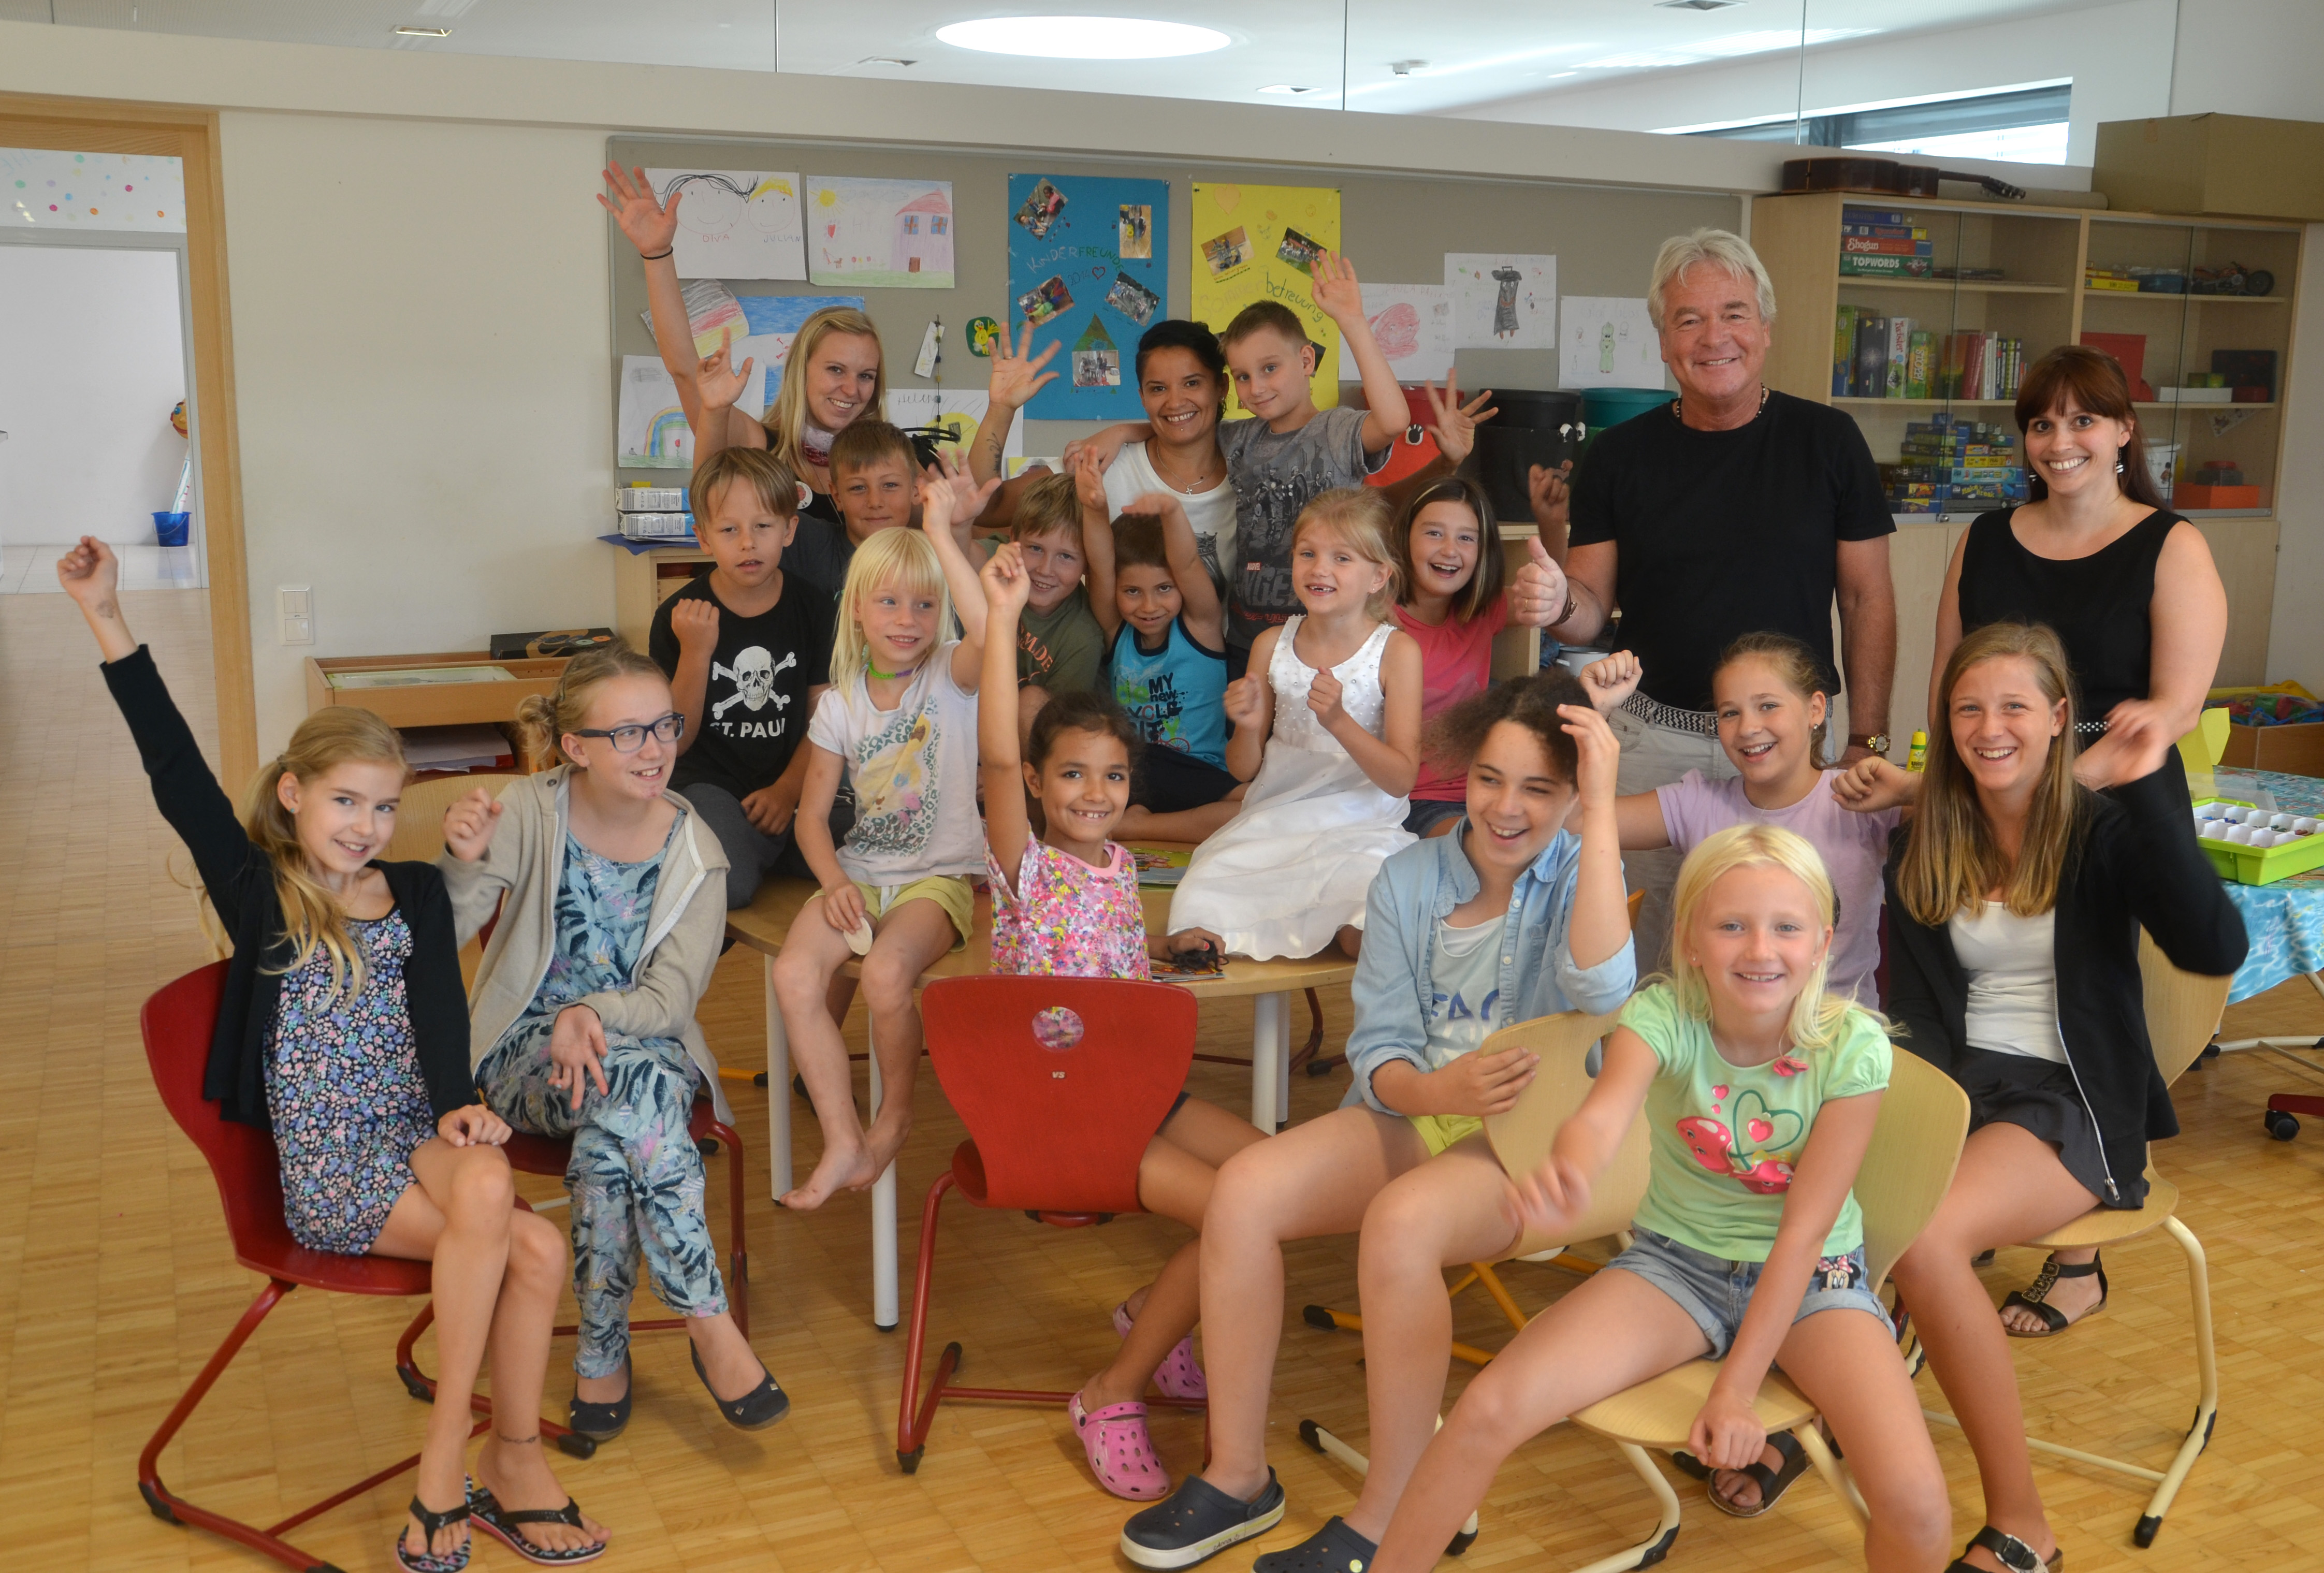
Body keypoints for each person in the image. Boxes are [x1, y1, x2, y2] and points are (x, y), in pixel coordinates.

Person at [59, 535, 606, 1571]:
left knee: (492, 1179)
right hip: (335, 1173)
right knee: (531, 1241)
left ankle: (462, 1467)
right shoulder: (262, 891)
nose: (365, 825)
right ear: (295, 795)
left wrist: (459, 1106)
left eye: (385, 805)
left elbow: (442, 1029)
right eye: (345, 800)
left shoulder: (412, 893)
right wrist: (105, 615)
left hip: (414, 1140)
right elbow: (172, 765)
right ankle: (484, 1462)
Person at [1118, 673, 1636, 1570]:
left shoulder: (1576, 872)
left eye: (1538, 787)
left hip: (1529, 1147)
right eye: (1488, 778)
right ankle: (1239, 1475)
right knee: (1244, 1187)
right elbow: (1384, 1055)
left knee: (1399, 1224)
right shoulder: (1406, 879)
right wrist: (1446, 1092)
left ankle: (1393, 1511)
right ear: (1463, 775)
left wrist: (1596, 811)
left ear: (1571, 796)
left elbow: (1602, 986)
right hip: (1426, 1111)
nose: (1505, 808)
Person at [1369, 823, 1951, 1573]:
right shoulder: (1663, 1016)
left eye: (1786, 927)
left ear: (1823, 943)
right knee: (1487, 1409)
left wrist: (1736, 1392)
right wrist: (1572, 1167)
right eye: (1732, 925)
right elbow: (1602, 1115)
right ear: (1691, 940)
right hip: (1675, 1269)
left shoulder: (1854, 1046)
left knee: (1918, 1504)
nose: (1760, 949)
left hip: (1815, 1282)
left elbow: (1804, 1234)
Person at [1882, 622, 2244, 1573]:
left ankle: (2023, 1527)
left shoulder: (2102, 831)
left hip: (2071, 1101)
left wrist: (2144, 786)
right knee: (1814, 1186)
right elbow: (1914, 1015)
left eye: (2012, 706)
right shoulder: (1921, 840)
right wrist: (1908, 1126)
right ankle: (1819, 1418)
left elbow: (2216, 948)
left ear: (2055, 719)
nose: (1987, 726)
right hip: (1968, 1093)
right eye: (1967, 707)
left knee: (1922, 1238)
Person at [977, 543, 1268, 1502]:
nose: (1093, 794)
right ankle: (1113, 1387)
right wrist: (996, 622)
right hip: (1060, 1107)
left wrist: (1151, 965)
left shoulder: (1117, 869)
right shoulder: (1025, 864)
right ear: (1032, 781)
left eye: (1109, 776)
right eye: (1070, 776)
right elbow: (989, 754)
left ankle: (1155, 1311)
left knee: (1271, 1175)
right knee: (1238, 1213)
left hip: (1133, 1089)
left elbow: (1094, 977)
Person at [445, 643, 788, 1451]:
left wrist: (592, 1010)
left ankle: (602, 1350)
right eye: (627, 732)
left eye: (663, 725)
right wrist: (460, 867)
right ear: (575, 748)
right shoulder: (528, 809)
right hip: (524, 1053)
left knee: (615, 1125)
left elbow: (670, 1000)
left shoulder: (697, 849)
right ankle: (708, 1322)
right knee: (629, 1100)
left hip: (647, 1043)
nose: (655, 747)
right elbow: (443, 937)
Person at [1543, 227, 1898, 960]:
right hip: (1655, 747)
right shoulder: (1616, 457)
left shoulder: (1829, 442)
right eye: (1689, 319)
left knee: (1782, 955)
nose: (1715, 337)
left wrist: (1868, 740)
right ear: (1665, 342)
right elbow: (1586, 613)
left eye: (1734, 313)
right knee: (1651, 959)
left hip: (1789, 752)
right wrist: (1554, 603)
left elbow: (1867, 601)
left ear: (1765, 329)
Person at [771, 482, 993, 1210]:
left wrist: (939, 526)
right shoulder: (838, 702)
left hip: (938, 879)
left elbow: (989, 631)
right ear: (858, 610)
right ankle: (843, 1137)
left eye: (924, 604)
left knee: (885, 976)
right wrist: (834, 881)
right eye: (890, 602)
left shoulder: (953, 677)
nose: (908, 619)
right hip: (862, 873)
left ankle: (893, 1115)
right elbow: (809, 820)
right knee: (797, 977)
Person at [1071, 253, 1417, 675]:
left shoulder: (1337, 431)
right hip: (1247, 638)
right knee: (1251, 740)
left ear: (1306, 362)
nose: (1256, 388)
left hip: (1329, 634)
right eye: (1243, 376)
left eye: (1270, 368)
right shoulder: (1241, 437)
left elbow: (1395, 421)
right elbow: (1182, 422)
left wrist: (1353, 322)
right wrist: (1121, 432)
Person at [1934, 344, 2226, 809]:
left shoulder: (2173, 545)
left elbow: (2176, 711)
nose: (2059, 444)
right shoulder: (1982, 538)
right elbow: (1947, 692)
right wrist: (1952, 793)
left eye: (2083, 421)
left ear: (2125, 430)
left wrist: (2054, 794)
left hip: (2120, 803)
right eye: (2042, 426)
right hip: (1992, 793)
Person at [1164, 488, 1422, 963]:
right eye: (1308, 554)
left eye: (1342, 558)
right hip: (1276, 819)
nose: (1320, 569)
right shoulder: (1270, 645)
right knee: (1204, 890)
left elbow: (1402, 777)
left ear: (1378, 577)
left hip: (1362, 828)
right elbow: (1243, 770)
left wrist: (1340, 722)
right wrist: (1246, 725)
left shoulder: (1396, 652)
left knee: (1366, 920)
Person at [1581, 633, 1901, 1006]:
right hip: (1719, 1041)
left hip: (1836, 1042)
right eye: (1730, 713)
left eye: (1768, 706)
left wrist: (1909, 789)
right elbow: (1573, 819)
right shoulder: (1697, 802)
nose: (1748, 727)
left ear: (1815, 709)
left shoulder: (1862, 801)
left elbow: (1977, 811)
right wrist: (1593, 713)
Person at [601, 165, 883, 530]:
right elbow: (686, 371)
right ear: (802, 371)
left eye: (866, 376)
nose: (851, 389)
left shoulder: (887, 464)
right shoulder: (758, 445)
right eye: (835, 370)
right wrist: (657, 254)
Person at [650, 447, 834, 910]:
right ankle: (758, 851)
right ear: (704, 538)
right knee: (729, 885)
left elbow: (827, 718)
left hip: (795, 782)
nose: (748, 543)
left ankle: (766, 847)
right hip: (709, 786)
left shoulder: (813, 608)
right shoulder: (678, 616)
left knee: (872, 850)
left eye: (763, 526)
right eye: (730, 530)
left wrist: (788, 791)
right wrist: (696, 653)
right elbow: (675, 741)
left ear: (789, 529)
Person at [1391, 471, 1568, 838]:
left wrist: (1551, 523)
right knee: (1483, 849)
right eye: (1434, 532)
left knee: (1559, 840)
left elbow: (1544, 594)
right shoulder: (1376, 621)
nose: (1450, 550)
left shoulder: (1481, 611)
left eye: (1466, 538)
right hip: (1412, 800)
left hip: (1486, 790)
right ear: (1404, 537)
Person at [1079, 479, 1246, 844]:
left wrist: (1171, 511)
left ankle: (1139, 826)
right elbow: (1100, 564)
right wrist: (1093, 509)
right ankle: (1158, 821)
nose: (1149, 606)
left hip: (1200, 770)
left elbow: (1186, 563)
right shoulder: (1116, 631)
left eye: (1164, 589)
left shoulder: (1201, 625)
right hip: (1136, 770)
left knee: (1257, 807)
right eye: (1132, 592)